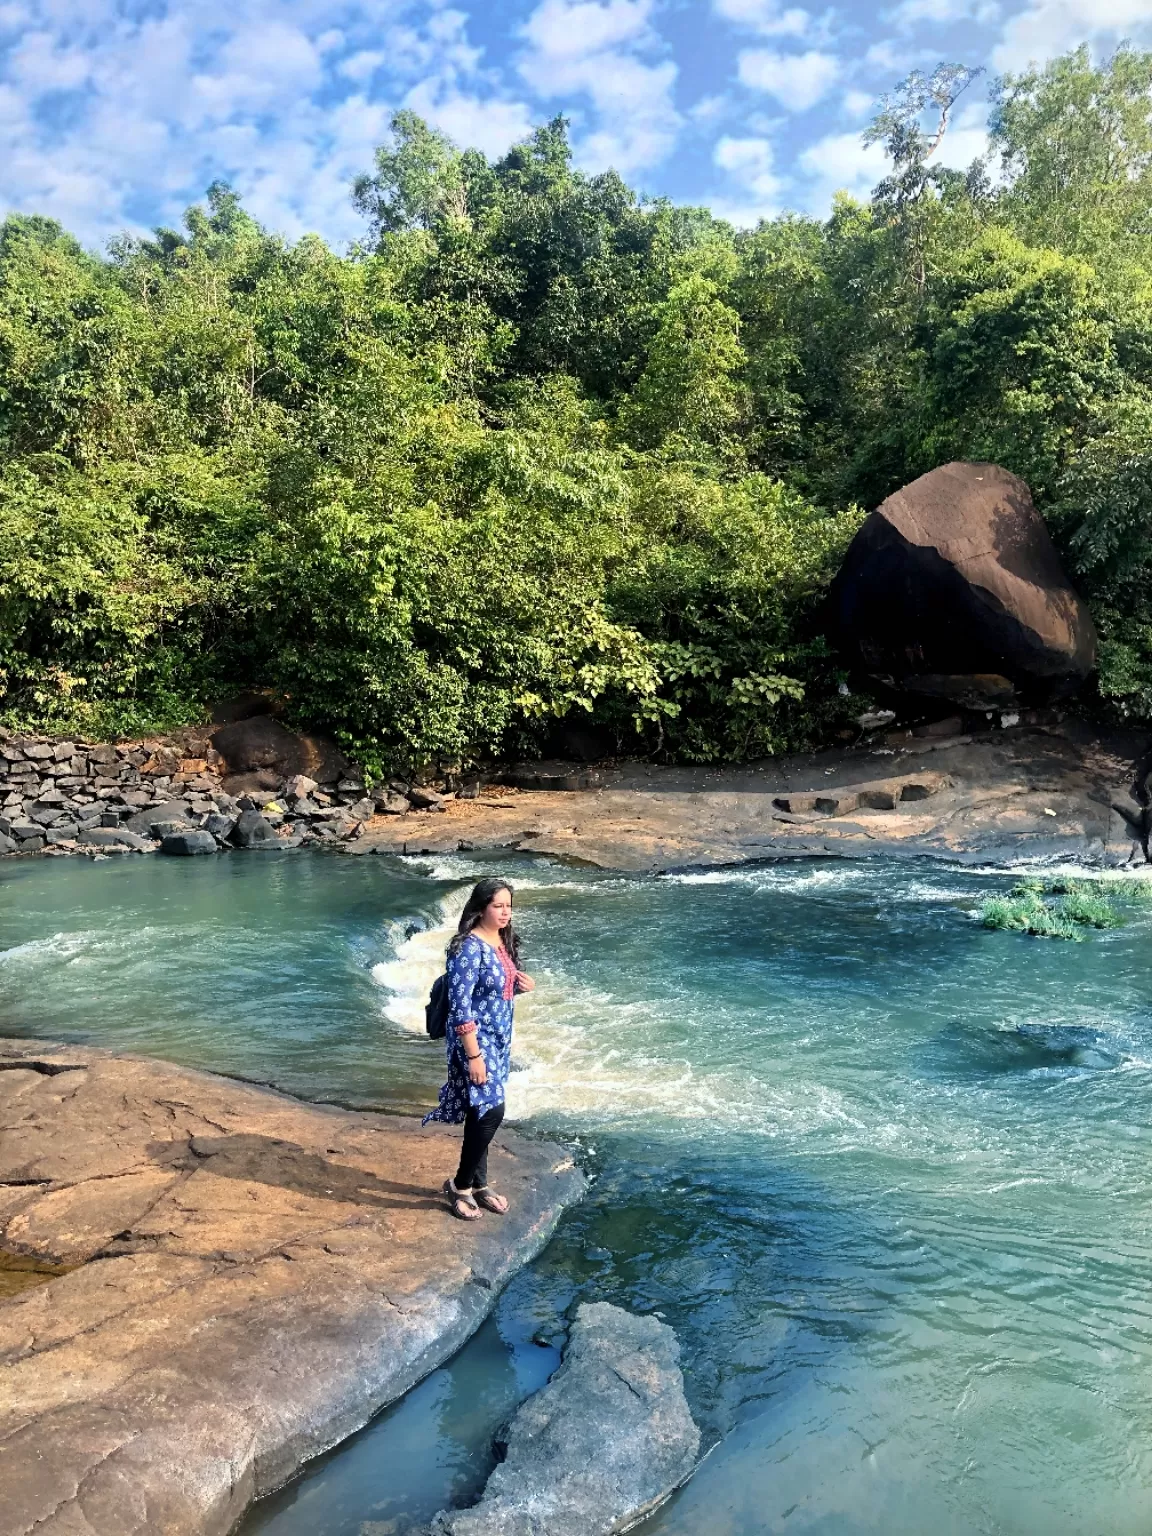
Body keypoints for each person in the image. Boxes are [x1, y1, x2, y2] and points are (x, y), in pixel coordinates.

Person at [423, 878, 535, 1219]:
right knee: (493, 1110)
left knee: (480, 1110)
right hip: (474, 1040)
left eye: (509, 906)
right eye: (498, 906)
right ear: (481, 908)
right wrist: (473, 1055)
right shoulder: (467, 948)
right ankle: (459, 1186)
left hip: (499, 1039)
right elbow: (460, 1007)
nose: (505, 912)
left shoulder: (502, 940)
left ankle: (480, 1183)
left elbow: (491, 991)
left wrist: (518, 986)